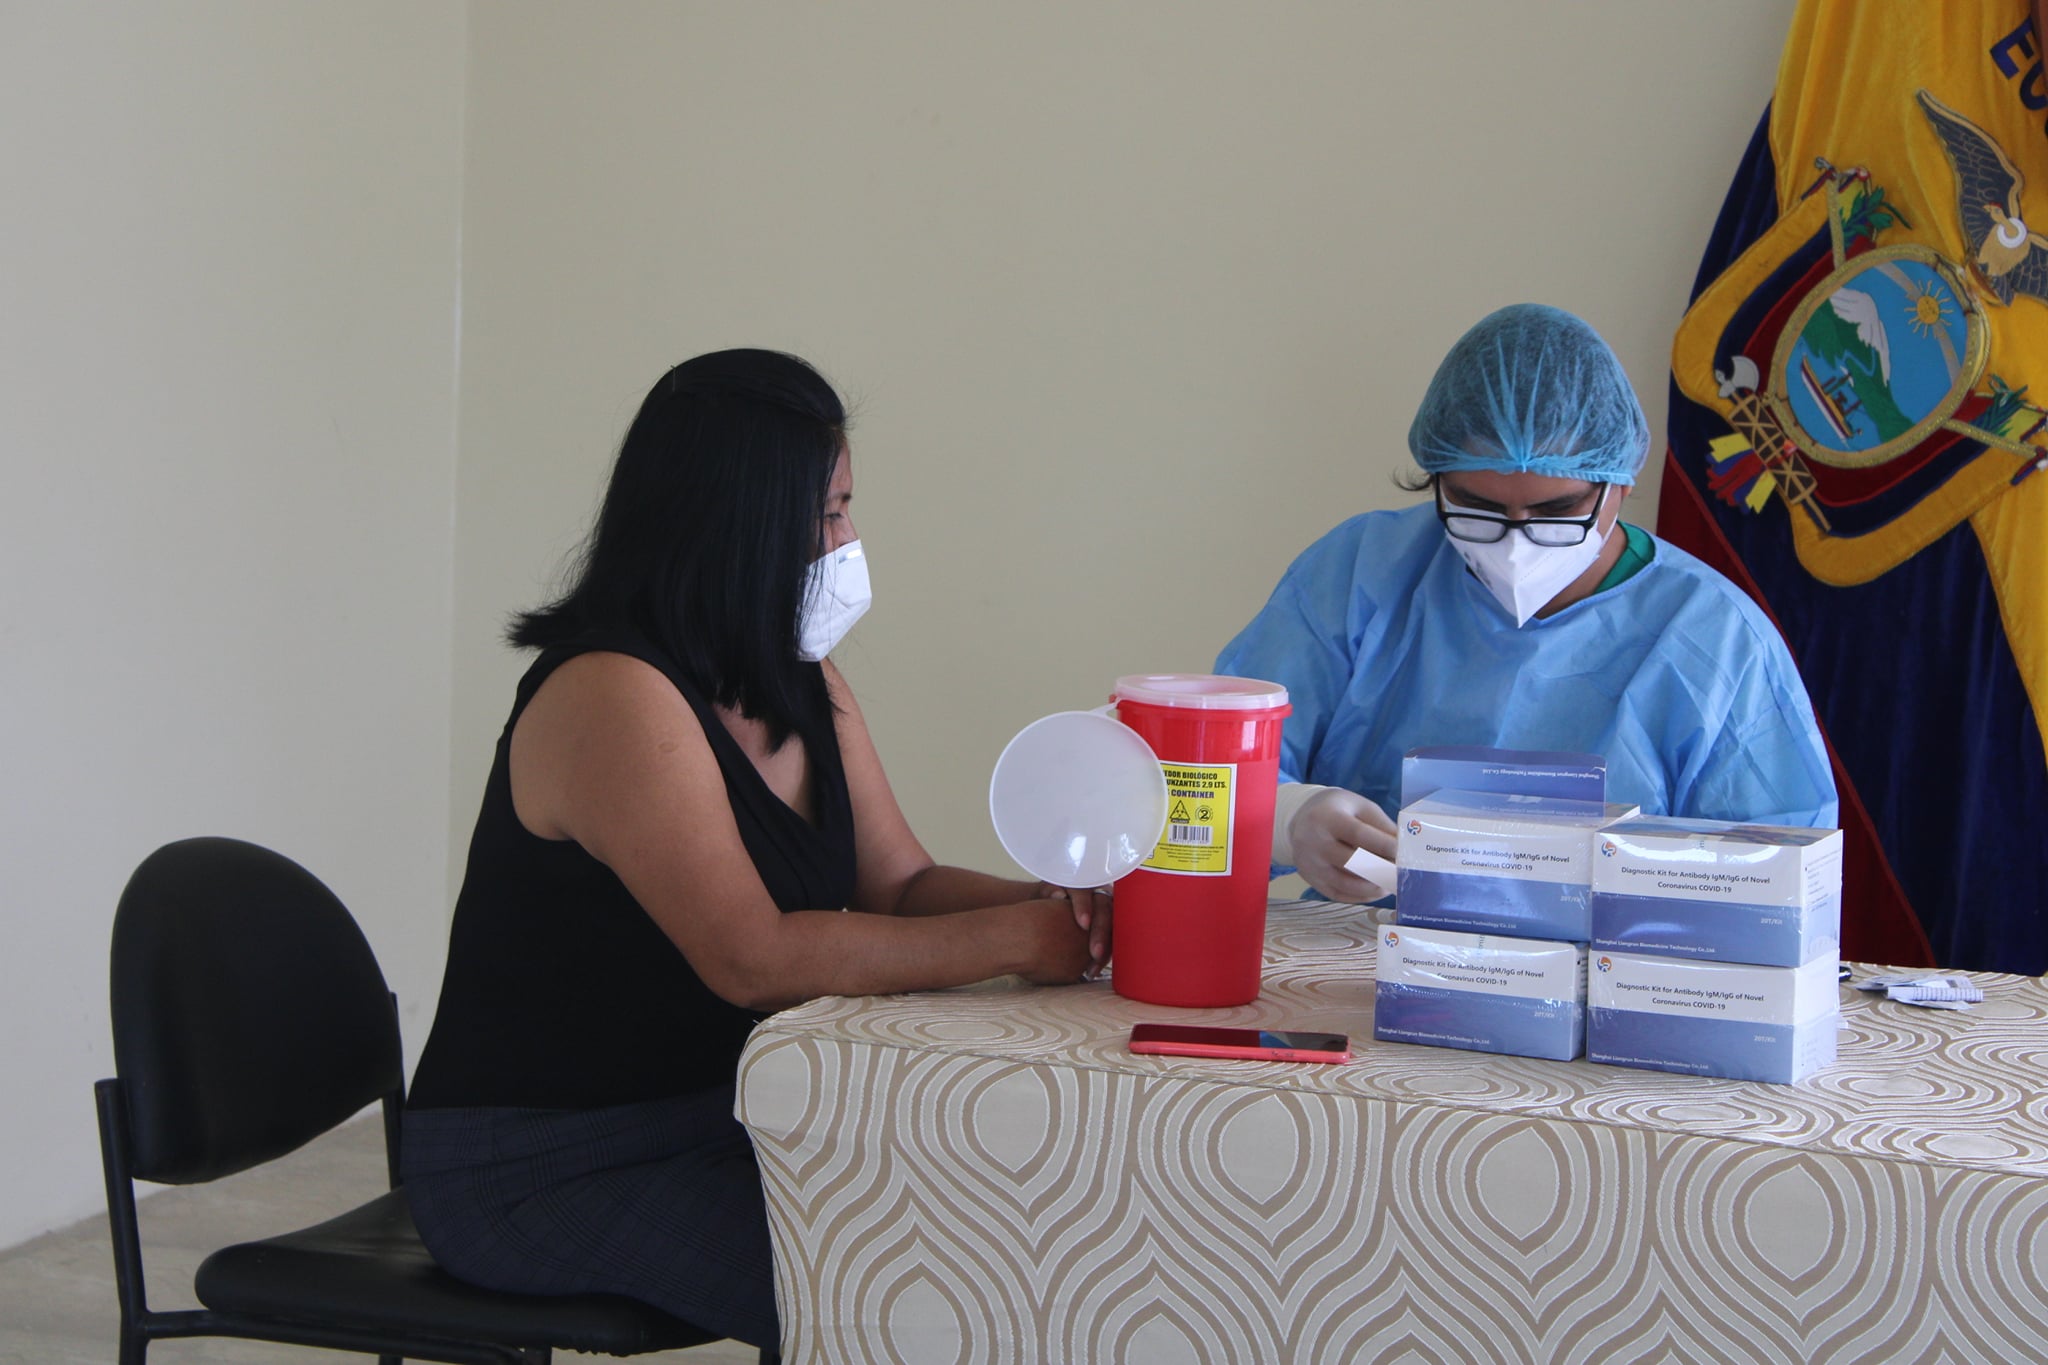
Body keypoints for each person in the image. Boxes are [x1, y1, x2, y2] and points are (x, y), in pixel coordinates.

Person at [401, 349, 1108, 1353]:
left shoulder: (796, 675)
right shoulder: (611, 694)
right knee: (904, 1296)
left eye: (848, 509)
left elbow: (900, 883)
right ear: (739, 522)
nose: (848, 543)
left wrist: (1060, 907)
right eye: (828, 514)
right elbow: (752, 957)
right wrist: (1018, 940)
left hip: (723, 1114)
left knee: (989, 1236)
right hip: (541, 1161)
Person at [1215, 303, 1838, 904]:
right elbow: (1212, 770)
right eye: (1477, 507)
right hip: (1363, 958)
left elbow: (1775, 879)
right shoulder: (1362, 574)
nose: (1516, 545)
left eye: (1556, 511)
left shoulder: (1716, 637)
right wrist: (1289, 818)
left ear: (1619, 483)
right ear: (1437, 478)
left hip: (1615, 971)